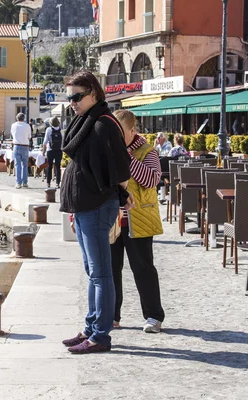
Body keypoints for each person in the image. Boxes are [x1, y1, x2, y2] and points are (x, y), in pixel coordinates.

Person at [60, 70, 133, 354]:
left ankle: (101, 336)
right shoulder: (84, 122)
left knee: (101, 274)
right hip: (83, 206)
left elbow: (121, 168)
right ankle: (91, 328)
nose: (72, 103)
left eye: (77, 97)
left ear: (93, 93)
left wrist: (120, 195)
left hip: (97, 206)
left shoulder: (103, 124)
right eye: (70, 98)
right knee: (93, 272)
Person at [111, 109, 165, 333]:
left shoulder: (147, 151)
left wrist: (128, 159)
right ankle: (112, 316)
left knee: (143, 269)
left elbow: (152, 180)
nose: (115, 136)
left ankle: (154, 316)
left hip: (139, 218)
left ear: (133, 130)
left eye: (119, 132)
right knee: (111, 269)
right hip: (113, 219)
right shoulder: (109, 150)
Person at [10, 113, 32, 189]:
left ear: (17, 118)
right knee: (25, 165)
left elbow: (13, 135)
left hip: (16, 145)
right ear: (24, 118)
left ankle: (18, 183)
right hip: (25, 146)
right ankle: (25, 182)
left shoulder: (13, 125)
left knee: (17, 165)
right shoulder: (27, 126)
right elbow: (29, 137)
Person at [42, 117, 63, 188]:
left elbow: (45, 142)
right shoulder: (61, 130)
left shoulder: (49, 130)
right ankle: (57, 183)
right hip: (59, 150)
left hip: (50, 150)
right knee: (57, 166)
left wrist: (43, 151)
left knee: (49, 166)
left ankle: (48, 183)